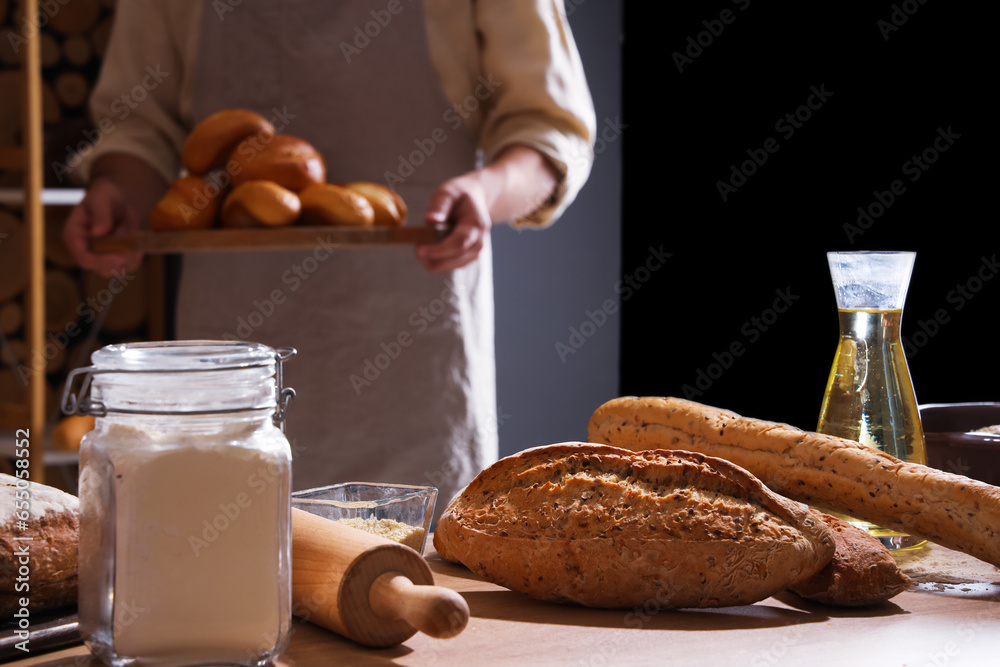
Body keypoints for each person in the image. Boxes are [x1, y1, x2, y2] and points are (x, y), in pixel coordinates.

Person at [63, 0, 596, 516]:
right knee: (226, 560)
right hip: (232, 360)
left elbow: (549, 127)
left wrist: (487, 191)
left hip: (413, 351)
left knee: (410, 578)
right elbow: (138, 122)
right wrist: (119, 193)